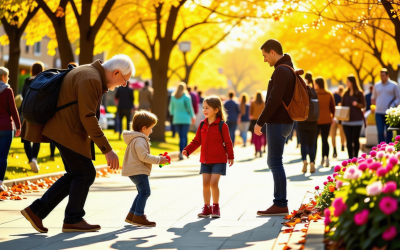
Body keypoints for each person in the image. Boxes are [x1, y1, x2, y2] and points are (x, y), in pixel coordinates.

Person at [20, 55, 134, 233]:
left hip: (63, 130)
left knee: (76, 174)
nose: (124, 85)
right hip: (66, 131)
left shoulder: (90, 74)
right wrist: (107, 149)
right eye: (125, 79)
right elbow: (88, 117)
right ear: (116, 72)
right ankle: (72, 219)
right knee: (85, 173)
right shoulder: (91, 77)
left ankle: (36, 211)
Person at [254, 39, 295, 216]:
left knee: (274, 162)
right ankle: (280, 202)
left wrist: (259, 121)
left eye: (264, 55)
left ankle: (280, 203)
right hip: (285, 122)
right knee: (276, 161)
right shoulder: (289, 69)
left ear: (272, 52)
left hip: (277, 122)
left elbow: (273, 100)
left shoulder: (280, 71)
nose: (264, 60)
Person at [183, 96, 234, 218]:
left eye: (207, 108)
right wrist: (187, 150)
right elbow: (196, 141)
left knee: (213, 183)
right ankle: (207, 207)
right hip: (205, 160)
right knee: (205, 183)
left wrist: (230, 156)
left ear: (216, 110)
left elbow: (228, 142)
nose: (204, 110)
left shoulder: (222, 126)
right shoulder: (202, 125)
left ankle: (216, 207)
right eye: (204, 107)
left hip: (219, 160)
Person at [122, 111, 169, 227]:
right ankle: (138, 216)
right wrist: (159, 160)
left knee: (141, 192)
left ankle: (132, 215)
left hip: (135, 170)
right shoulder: (140, 140)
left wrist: (158, 158)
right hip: (139, 170)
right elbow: (143, 157)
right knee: (145, 192)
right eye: (151, 128)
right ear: (144, 128)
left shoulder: (135, 139)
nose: (151, 131)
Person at [0, 67, 21, 191]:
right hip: (7, 128)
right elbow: (13, 110)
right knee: (3, 157)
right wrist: (18, 126)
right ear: (3, 77)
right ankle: (0, 182)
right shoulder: (8, 91)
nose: (8, 79)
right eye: (7, 76)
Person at [21, 62, 45, 170]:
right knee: (37, 137)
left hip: (27, 112)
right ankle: (34, 158)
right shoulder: (43, 80)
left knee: (26, 137)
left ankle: (30, 159)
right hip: (39, 113)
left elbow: (22, 96)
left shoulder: (26, 81)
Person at [298, 72, 319, 173]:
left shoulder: (301, 91)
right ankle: (312, 163)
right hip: (313, 121)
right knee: (312, 144)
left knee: (304, 143)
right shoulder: (315, 91)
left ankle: (304, 162)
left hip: (302, 120)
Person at [372, 68, 400, 143]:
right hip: (378, 112)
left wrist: (393, 104)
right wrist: (373, 106)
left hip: (389, 114)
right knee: (380, 131)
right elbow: (373, 98)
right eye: (380, 75)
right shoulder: (376, 85)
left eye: (383, 75)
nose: (382, 77)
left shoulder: (394, 85)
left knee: (389, 132)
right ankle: (381, 147)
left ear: (387, 75)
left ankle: (389, 148)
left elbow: (398, 98)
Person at [169, 82, 195, 160]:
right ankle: (185, 152)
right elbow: (190, 108)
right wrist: (193, 116)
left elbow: (171, 109)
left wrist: (174, 114)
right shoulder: (186, 97)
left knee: (181, 136)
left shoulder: (173, 97)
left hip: (176, 119)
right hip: (185, 118)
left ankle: (182, 152)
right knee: (184, 135)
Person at [341, 75, 366, 159]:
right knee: (348, 140)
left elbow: (363, 105)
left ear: (352, 82)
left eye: (348, 81)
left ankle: (355, 157)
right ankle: (350, 158)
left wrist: (357, 104)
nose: (346, 83)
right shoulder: (345, 93)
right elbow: (343, 105)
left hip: (357, 120)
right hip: (346, 121)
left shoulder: (359, 93)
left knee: (355, 139)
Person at [315, 77, 335, 168]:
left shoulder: (315, 94)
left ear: (318, 84)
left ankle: (316, 159)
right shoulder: (329, 94)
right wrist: (333, 118)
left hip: (316, 120)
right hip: (327, 119)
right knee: (325, 140)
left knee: (315, 140)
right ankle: (326, 158)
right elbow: (332, 108)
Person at [330, 85, 346, 157]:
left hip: (333, 117)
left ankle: (335, 149)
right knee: (341, 133)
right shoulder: (342, 97)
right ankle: (341, 145)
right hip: (340, 118)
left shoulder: (333, 95)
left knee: (333, 134)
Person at [250, 91, 266, 157]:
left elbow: (250, 112)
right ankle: (263, 148)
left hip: (254, 120)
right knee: (263, 135)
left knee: (255, 136)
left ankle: (256, 150)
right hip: (262, 120)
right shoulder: (263, 103)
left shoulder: (253, 103)